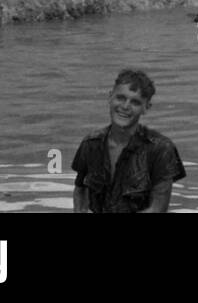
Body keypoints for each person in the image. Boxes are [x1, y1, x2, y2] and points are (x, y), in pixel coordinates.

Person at [72, 69, 186, 213]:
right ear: (110, 97)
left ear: (146, 108)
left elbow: (157, 209)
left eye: (135, 102)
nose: (125, 106)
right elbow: (80, 190)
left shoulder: (161, 149)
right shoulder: (90, 144)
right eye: (120, 98)